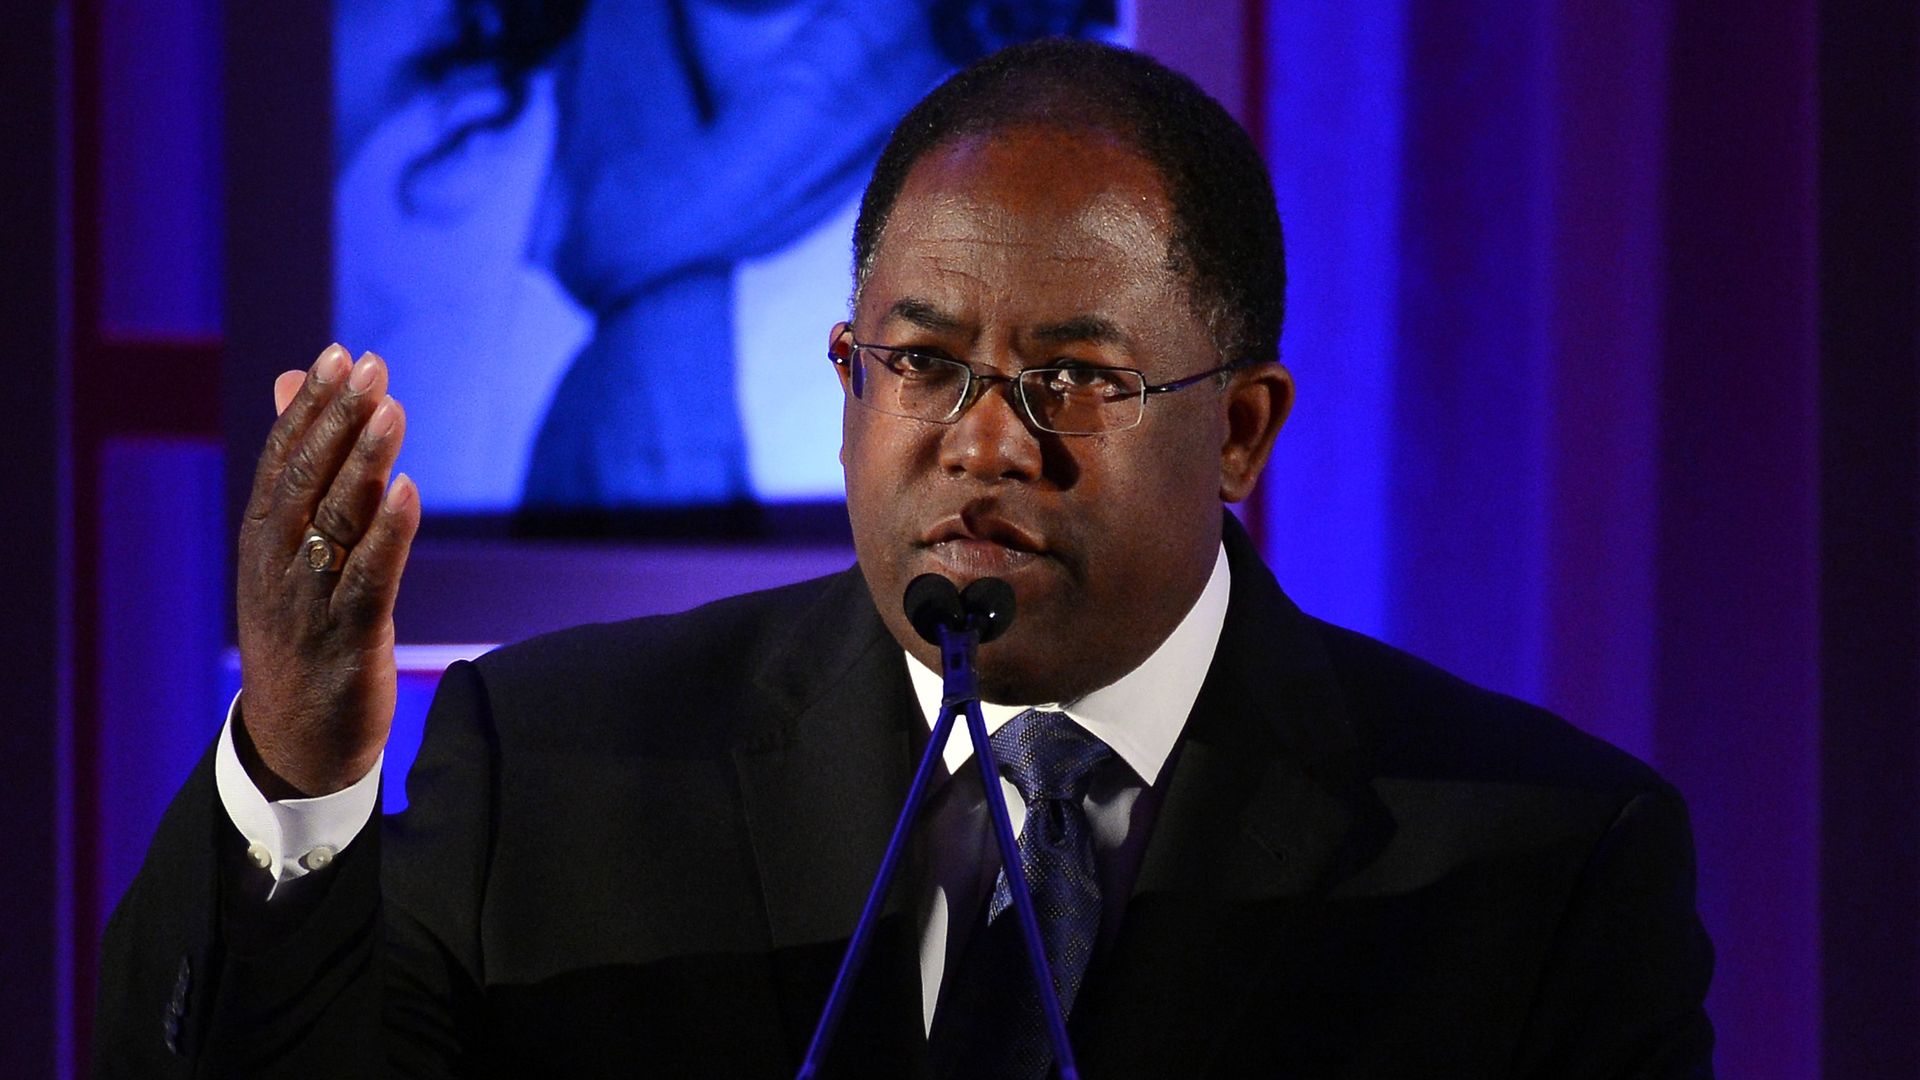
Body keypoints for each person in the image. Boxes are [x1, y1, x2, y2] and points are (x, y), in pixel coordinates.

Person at [94, 39, 1714, 1079]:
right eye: (923, 363)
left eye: (1073, 375)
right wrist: (300, 767)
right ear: (849, 378)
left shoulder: (1539, 862)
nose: (982, 443)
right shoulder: (559, 769)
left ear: (1241, 431)